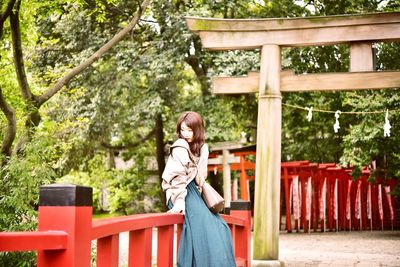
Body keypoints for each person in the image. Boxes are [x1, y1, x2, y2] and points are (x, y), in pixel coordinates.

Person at [162, 111, 236, 267]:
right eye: (183, 130)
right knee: (206, 224)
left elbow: (201, 177)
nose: (186, 134)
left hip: (194, 192)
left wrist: (203, 155)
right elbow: (178, 178)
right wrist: (180, 202)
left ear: (198, 130)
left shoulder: (202, 148)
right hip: (178, 192)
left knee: (220, 226)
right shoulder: (180, 146)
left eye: (190, 130)